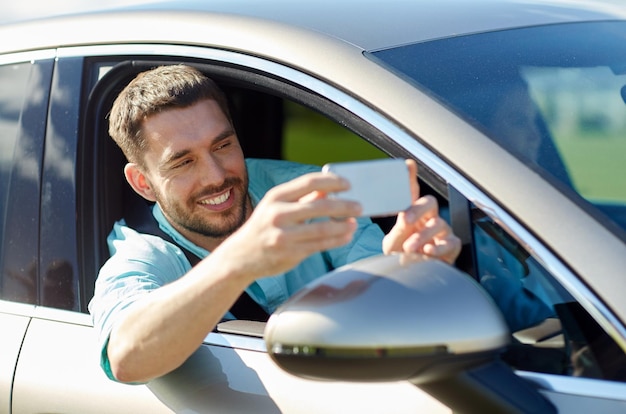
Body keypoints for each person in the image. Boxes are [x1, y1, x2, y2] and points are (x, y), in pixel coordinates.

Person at [89, 64, 461, 384]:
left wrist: (400, 272)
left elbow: (382, 313)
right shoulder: (144, 254)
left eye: (223, 146)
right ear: (143, 183)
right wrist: (240, 260)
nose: (216, 176)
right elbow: (126, 357)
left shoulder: (305, 191)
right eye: (183, 162)